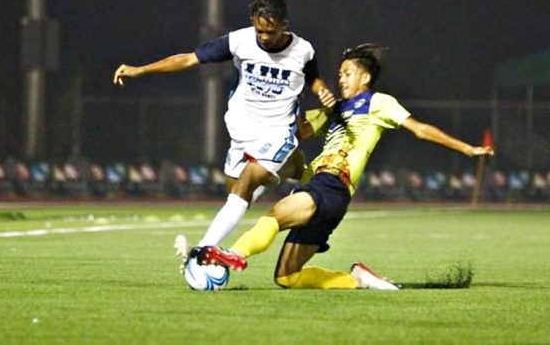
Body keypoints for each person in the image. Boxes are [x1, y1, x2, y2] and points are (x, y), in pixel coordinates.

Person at [196, 43, 495, 290]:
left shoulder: (378, 102)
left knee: (275, 217)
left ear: (364, 78)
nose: (340, 79)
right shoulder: (333, 110)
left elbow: (420, 129)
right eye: (339, 74)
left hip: (331, 185)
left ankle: (231, 255)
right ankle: (358, 278)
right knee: (288, 277)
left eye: (347, 73)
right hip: (325, 191)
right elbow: (293, 133)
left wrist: (467, 148)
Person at [113, 0, 328, 264]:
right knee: (238, 193)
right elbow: (189, 58)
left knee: (248, 181)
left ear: (285, 24)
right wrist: (140, 70)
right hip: (241, 131)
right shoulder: (239, 41)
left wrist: (322, 91)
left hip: (277, 130)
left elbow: (314, 79)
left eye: (270, 31)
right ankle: (293, 179)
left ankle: (202, 251)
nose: (263, 36)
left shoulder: (303, 50)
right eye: (259, 29)